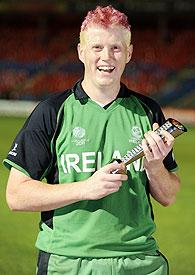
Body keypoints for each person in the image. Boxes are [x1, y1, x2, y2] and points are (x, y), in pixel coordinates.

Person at [4, 5, 180, 275]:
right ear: (81, 52)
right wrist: (86, 188)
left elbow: (168, 197)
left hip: (139, 260)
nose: (106, 57)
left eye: (116, 48)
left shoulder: (148, 111)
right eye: (97, 47)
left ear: (129, 53)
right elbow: (16, 195)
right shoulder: (52, 111)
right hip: (68, 261)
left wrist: (155, 167)